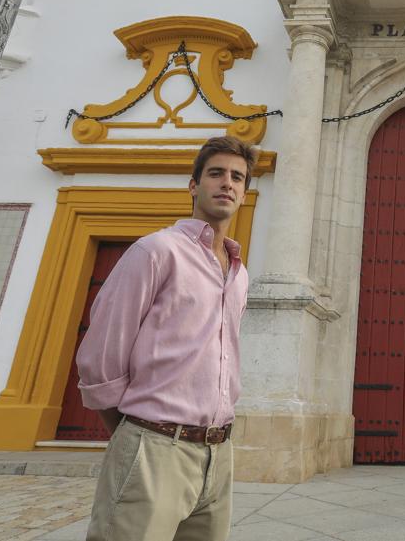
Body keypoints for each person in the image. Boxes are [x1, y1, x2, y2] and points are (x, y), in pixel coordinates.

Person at [77, 135, 256, 541]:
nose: (227, 183)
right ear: (194, 186)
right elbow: (101, 354)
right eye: (216, 174)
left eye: (237, 177)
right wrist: (135, 434)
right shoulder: (156, 251)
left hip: (218, 454)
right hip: (154, 446)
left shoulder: (239, 273)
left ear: (244, 192)